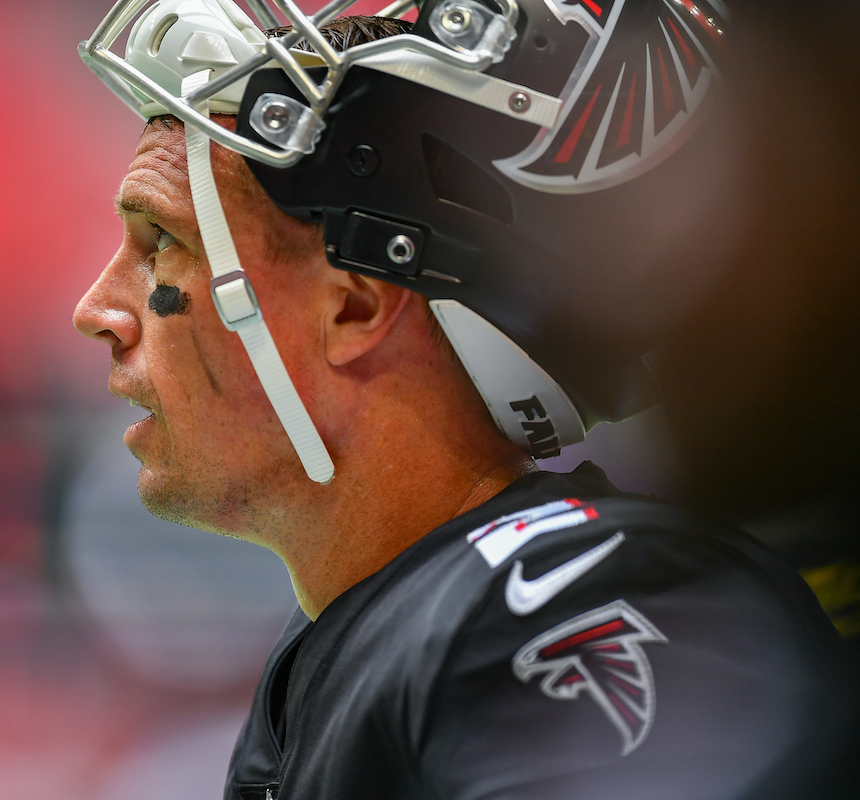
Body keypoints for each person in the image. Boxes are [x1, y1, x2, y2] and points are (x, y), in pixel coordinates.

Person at [73, 1, 854, 798]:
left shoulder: (562, 597)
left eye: (162, 240)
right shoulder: (352, 629)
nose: (96, 311)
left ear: (357, 306)